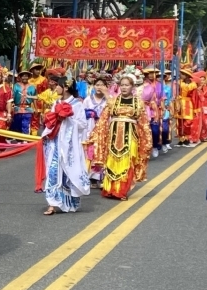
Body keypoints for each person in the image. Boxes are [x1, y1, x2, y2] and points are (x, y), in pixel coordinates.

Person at [91, 67, 153, 200]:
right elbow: (103, 119)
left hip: (130, 135)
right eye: (122, 85)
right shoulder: (113, 101)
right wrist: (97, 134)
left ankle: (121, 191)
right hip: (113, 135)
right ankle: (110, 190)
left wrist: (147, 140)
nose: (124, 88)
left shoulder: (138, 102)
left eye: (127, 85)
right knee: (112, 161)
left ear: (132, 87)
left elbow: (143, 123)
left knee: (127, 161)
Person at [42, 76, 91, 215]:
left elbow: (82, 124)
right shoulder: (56, 102)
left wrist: (67, 118)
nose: (55, 88)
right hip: (55, 142)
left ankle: (68, 202)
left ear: (66, 87)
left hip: (69, 145)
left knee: (68, 173)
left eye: (58, 85)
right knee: (53, 171)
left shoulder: (77, 104)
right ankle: (52, 203)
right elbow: (51, 120)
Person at [82, 76, 109, 185]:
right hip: (90, 128)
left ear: (106, 87)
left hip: (104, 129)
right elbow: (82, 114)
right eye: (97, 85)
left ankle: (102, 176)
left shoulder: (108, 99)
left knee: (103, 151)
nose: (99, 87)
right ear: (93, 86)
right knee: (91, 151)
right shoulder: (88, 100)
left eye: (102, 85)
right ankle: (91, 176)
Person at [12, 70, 35, 135]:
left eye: (26, 76)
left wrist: (35, 108)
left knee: (26, 124)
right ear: (21, 77)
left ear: (28, 77)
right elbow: (12, 96)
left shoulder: (32, 87)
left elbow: (35, 98)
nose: (25, 78)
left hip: (28, 108)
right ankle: (17, 139)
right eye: (23, 76)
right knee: (16, 124)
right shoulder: (16, 85)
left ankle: (25, 140)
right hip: (17, 108)